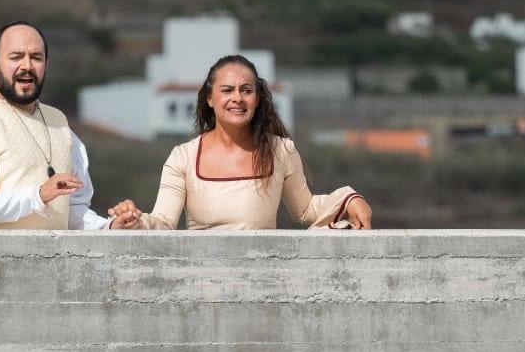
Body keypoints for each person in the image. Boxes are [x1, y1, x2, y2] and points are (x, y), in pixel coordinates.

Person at [108, 55, 372, 231]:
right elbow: (163, 222)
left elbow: (305, 210)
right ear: (209, 99)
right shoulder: (183, 157)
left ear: (257, 99)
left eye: (246, 90)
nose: (238, 98)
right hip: (201, 285)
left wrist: (348, 199)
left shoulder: (281, 150)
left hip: (264, 281)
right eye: (227, 90)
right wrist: (134, 220)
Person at [0, 21, 141, 230]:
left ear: (46, 64)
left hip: (59, 262)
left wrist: (108, 228)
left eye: (36, 57)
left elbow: (70, 208)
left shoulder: (60, 123)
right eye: (16, 57)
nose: (27, 66)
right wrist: (36, 196)